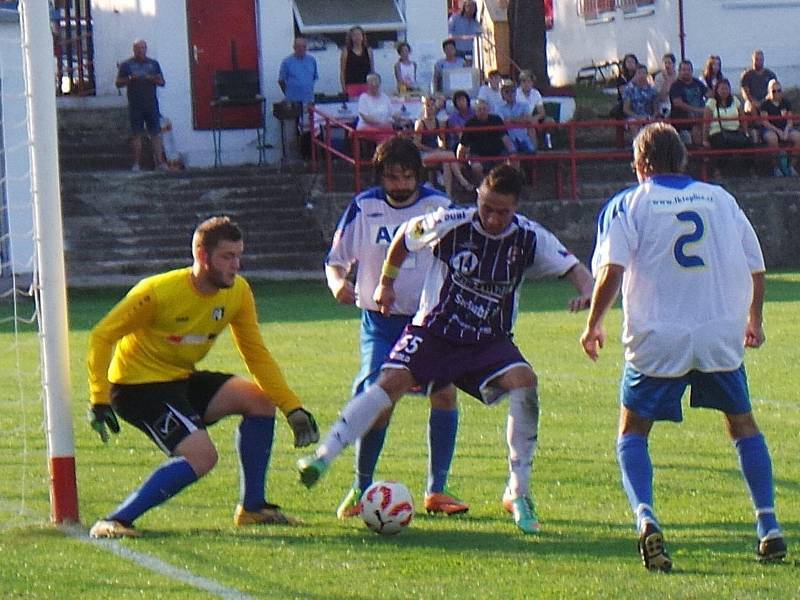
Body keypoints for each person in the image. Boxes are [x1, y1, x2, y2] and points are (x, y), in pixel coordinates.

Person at [300, 164, 594, 535]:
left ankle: (518, 491)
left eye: (502, 211)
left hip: (488, 339)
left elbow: (577, 270)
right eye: (487, 207)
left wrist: (586, 292)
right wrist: (386, 284)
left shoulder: (531, 237)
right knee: (389, 382)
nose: (492, 217)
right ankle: (323, 457)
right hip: (435, 330)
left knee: (524, 380)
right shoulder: (451, 221)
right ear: (479, 198)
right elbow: (404, 240)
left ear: (516, 208)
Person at [580, 122, 787, 571]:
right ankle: (768, 526)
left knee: (632, 432)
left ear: (640, 164)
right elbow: (756, 266)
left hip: (659, 336)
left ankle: (647, 520)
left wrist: (594, 324)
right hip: (717, 330)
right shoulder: (720, 199)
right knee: (743, 424)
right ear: (685, 160)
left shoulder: (629, 204)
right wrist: (755, 318)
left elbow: (611, 271)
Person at [86, 216, 320, 538]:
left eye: (239, 256)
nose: (236, 265)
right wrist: (99, 398)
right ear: (201, 255)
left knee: (260, 400)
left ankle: (252, 508)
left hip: (180, 379)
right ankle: (115, 520)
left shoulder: (238, 292)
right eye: (227, 256)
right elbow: (101, 336)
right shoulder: (157, 292)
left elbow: (256, 354)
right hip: (136, 388)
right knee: (203, 456)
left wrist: (291, 407)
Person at [325, 137, 468, 520]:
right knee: (378, 403)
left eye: (407, 176)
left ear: (418, 175)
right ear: (381, 176)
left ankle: (437, 489)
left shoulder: (439, 208)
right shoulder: (364, 206)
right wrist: (339, 283)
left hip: (430, 322)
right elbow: (336, 260)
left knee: (444, 394)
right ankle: (360, 485)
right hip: (381, 323)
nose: (400, 184)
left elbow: (465, 254)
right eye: (392, 177)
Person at [116, 39, 167, 172]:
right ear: (133, 49)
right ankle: (137, 164)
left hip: (151, 103)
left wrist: (152, 79)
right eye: (138, 48)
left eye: (143, 48)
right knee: (136, 134)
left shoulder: (153, 64)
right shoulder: (126, 65)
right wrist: (130, 79)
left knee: (155, 133)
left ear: (146, 49)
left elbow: (162, 82)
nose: (140, 51)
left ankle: (160, 163)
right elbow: (118, 83)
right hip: (135, 104)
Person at [415, 95, 474, 196]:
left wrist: (441, 147)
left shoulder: (439, 122)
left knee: (447, 162)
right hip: (424, 154)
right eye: (427, 106)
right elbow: (417, 144)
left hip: (438, 154)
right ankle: (463, 181)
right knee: (450, 155)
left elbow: (442, 139)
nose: (429, 108)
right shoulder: (420, 123)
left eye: (432, 106)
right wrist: (433, 150)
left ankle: (448, 195)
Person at [456, 98, 515, 183]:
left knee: (513, 160)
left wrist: (512, 152)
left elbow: (505, 138)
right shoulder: (470, 124)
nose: (482, 111)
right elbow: (463, 145)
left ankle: (510, 187)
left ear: (488, 110)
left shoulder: (496, 120)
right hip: (477, 155)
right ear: (475, 111)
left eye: (484, 109)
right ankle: (483, 187)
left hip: (498, 153)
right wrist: (460, 161)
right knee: (476, 167)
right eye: (479, 109)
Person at [702, 78, 749, 178]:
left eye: (726, 88)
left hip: (735, 132)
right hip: (717, 132)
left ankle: (749, 170)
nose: (724, 91)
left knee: (748, 143)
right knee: (722, 144)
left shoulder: (735, 100)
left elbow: (742, 117)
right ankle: (718, 170)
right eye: (722, 89)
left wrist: (745, 132)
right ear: (717, 90)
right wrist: (705, 139)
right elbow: (706, 122)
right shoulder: (711, 103)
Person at [760, 79, 800, 177]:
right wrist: (778, 131)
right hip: (770, 129)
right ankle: (776, 167)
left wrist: (786, 131)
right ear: (769, 91)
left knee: (798, 137)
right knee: (772, 139)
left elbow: (790, 120)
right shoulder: (765, 104)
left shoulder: (786, 102)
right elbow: (765, 121)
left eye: (779, 90)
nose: (776, 93)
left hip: (785, 128)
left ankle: (792, 166)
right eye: (773, 91)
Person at [278, 37, 318, 129]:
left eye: (304, 46)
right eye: (298, 46)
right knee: (292, 132)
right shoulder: (287, 62)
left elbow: (313, 78)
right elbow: (281, 81)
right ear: (294, 47)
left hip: (308, 102)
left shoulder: (312, 60)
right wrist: (289, 93)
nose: (301, 49)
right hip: (292, 104)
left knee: (308, 131)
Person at [668, 60, 707, 146]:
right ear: (679, 71)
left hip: (701, 117)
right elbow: (678, 103)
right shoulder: (675, 86)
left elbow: (709, 94)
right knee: (696, 129)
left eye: (688, 70)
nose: (686, 72)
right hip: (683, 120)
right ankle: (698, 154)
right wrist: (697, 110)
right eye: (684, 70)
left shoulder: (698, 83)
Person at [496, 80, 536, 157]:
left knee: (532, 152)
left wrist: (511, 119)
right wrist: (520, 120)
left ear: (516, 93)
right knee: (512, 154)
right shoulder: (498, 108)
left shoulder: (524, 105)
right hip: (509, 139)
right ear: (502, 95)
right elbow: (502, 123)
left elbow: (528, 120)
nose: (510, 94)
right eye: (507, 92)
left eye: (512, 91)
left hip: (523, 137)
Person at [740, 49, 777, 118]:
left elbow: (774, 90)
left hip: (767, 100)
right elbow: (745, 92)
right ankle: (758, 126)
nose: (759, 62)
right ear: (752, 60)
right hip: (751, 102)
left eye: (761, 59)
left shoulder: (770, 74)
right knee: (751, 108)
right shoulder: (746, 75)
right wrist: (754, 102)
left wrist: (765, 101)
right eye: (757, 59)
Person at [623, 64, 657, 134]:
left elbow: (656, 108)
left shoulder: (652, 89)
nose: (641, 75)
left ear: (647, 75)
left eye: (643, 73)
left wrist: (652, 117)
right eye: (639, 73)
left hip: (648, 116)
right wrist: (638, 117)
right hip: (634, 116)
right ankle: (637, 143)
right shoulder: (629, 89)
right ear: (635, 75)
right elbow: (626, 109)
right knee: (633, 124)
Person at [340, 26, 374, 97]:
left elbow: (372, 69)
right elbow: (343, 72)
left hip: (366, 85)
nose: (357, 37)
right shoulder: (346, 51)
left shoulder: (368, 50)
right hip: (351, 85)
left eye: (359, 34)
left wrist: (373, 85)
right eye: (354, 35)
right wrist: (344, 89)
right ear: (351, 38)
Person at [611, 53, 639, 120]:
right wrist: (633, 81)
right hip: (626, 101)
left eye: (632, 61)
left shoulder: (640, 75)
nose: (630, 64)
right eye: (628, 62)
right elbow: (623, 92)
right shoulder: (621, 78)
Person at [653, 53, 677, 118]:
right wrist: (667, 80)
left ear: (674, 64)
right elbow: (661, 97)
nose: (667, 65)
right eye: (665, 63)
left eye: (669, 63)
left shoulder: (679, 76)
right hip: (664, 104)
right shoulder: (658, 77)